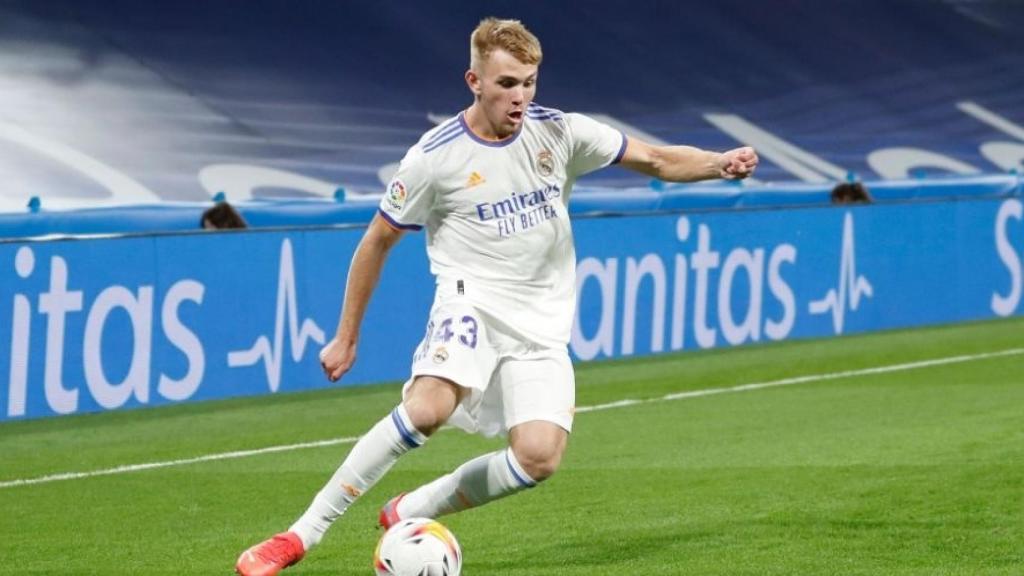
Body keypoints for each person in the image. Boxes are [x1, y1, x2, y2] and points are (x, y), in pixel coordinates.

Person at [235, 17, 758, 576]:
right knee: (428, 408)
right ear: (474, 80)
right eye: (507, 83)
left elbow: (655, 159)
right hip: (471, 303)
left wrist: (716, 165)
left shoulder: (559, 132)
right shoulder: (434, 158)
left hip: (541, 327)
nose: (521, 97)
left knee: (538, 458)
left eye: (530, 82)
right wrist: (346, 335)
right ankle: (299, 535)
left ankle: (412, 509)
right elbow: (376, 241)